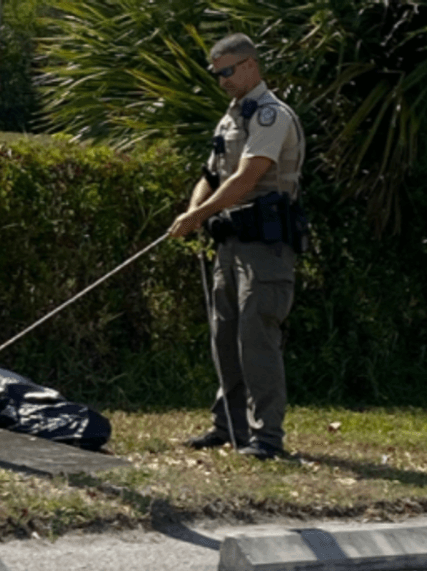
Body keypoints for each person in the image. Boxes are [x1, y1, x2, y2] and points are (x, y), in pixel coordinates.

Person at [167, 33, 306, 460]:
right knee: (224, 334)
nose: (222, 80)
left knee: (256, 336)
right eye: (217, 74)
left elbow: (247, 177)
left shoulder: (271, 115)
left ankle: (267, 439)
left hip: (266, 244)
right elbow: (210, 174)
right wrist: (193, 211)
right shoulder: (229, 119)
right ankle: (228, 426)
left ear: (250, 65)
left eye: (227, 71)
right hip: (229, 240)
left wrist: (198, 216)